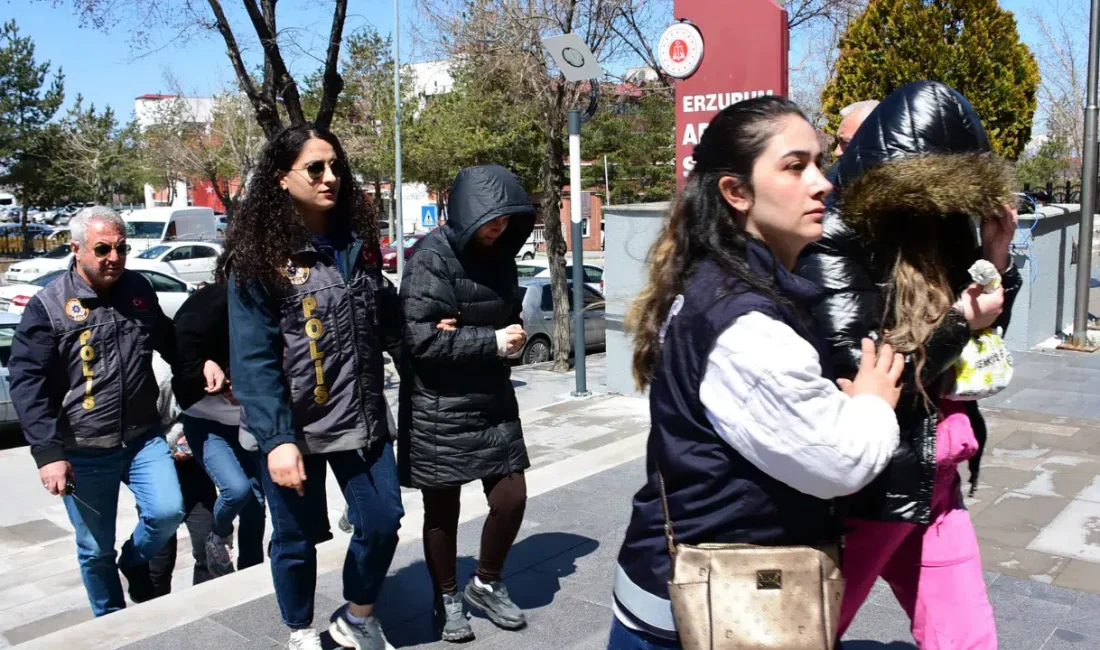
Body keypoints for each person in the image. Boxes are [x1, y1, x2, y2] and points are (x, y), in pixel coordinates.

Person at [607, 96, 905, 649]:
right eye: (795, 167)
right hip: (706, 611)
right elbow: (839, 461)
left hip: (680, 594)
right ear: (736, 192)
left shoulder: (722, 284)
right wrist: (871, 404)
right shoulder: (743, 324)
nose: (823, 184)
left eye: (819, 162)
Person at [796, 81, 1021, 649]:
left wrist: (996, 259)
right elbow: (861, 368)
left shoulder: (942, 226)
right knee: (802, 635)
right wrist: (960, 322)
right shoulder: (834, 232)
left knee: (968, 640)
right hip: (869, 488)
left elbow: (984, 344)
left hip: (936, 477)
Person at [222, 122, 404, 650]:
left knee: (383, 519)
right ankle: (299, 629)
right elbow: (253, 360)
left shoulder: (356, 244)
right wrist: (277, 440)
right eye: (315, 168)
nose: (330, 178)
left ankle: (357, 615)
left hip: (359, 415)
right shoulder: (257, 257)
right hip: (292, 428)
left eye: (336, 167)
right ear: (282, 179)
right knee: (298, 540)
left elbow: (384, 317)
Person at [8, 205, 185, 616]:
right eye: (103, 248)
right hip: (83, 448)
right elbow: (26, 381)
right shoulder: (48, 305)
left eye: (121, 248)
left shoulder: (138, 289)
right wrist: (48, 455)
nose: (114, 258)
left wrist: (204, 365)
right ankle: (109, 623)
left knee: (167, 511)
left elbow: (169, 341)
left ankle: (134, 559)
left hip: (143, 438)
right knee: (93, 548)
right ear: (76, 249)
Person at [398, 164, 535, 643]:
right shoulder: (429, 259)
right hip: (438, 406)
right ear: (466, 215)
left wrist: (506, 340)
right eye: (489, 222)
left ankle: (486, 580)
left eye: (505, 223)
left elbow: (505, 317)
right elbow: (420, 339)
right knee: (443, 512)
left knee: (511, 497)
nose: (497, 231)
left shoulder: (501, 256)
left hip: (492, 399)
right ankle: (448, 595)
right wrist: (491, 340)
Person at [172, 281, 265, 577]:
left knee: (256, 502)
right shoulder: (208, 309)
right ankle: (218, 535)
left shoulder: (266, 315)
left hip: (245, 422)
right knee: (236, 490)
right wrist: (204, 367)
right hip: (205, 421)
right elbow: (178, 348)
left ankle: (252, 571)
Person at [148, 352, 218, 594]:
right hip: (158, 465)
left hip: (195, 465)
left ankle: (205, 602)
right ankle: (153, 606)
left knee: (207, 543)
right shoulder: (161, 369)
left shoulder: (206, 359)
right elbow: (147, 421)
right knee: (160, 551)